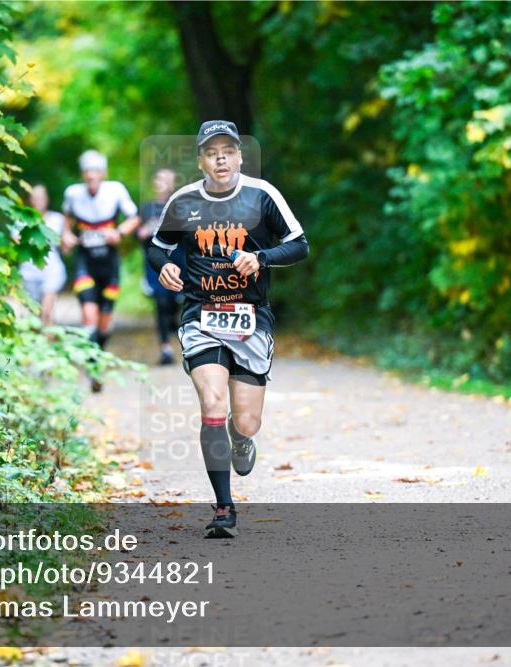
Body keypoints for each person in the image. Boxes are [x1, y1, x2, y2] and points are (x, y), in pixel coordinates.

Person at [146, 121, 309, 538]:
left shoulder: (262, 195)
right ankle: (223, 508)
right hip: (201, 314)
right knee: (213, 405)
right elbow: (157, 247)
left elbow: (299, 244)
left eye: (228, 150)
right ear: (200, 160)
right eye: (211, 151)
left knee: (248, 420)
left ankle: (241, 438)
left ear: (239, 156)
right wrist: (163, 266)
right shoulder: (184, 202)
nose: (220, 157)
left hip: (252, 317)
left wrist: (263, 259)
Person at [62, 150, 141, 391]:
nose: (91, 176)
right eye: (87, 171)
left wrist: (119, 233)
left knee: (104, 324)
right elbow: (67, 221)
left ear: (103, 173)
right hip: (85, 261)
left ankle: (98, 355)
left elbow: (134, 217)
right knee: (88, 316)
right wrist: (66, 235)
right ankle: (95, 368)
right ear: (82, 174)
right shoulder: (73, 194)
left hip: (109, 263)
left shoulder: (115, 190)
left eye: (96, 171)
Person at [137, 168, 184, 366]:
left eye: (167, 179)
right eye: (159, 179)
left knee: (175, 303)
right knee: (161, 302)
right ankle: (165, 348)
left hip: (180, 261)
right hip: (155, 263)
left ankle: (176, 328)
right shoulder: (146, 209)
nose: (162, 183)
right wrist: (143, 232)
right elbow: (137, 238)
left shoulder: (181, 206)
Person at [19, 184, 67, 326]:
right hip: (28, 273)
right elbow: (16, 245)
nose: (38, 201)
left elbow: (65, 242)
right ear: (30, 200)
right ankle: (37, 345)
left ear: (47, 199)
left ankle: (48, 343)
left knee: (46, 312)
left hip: (52, 271)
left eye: (41, 198)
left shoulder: (58, 219)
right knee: (34, 316)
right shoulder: (21, 220)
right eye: (34, 198)